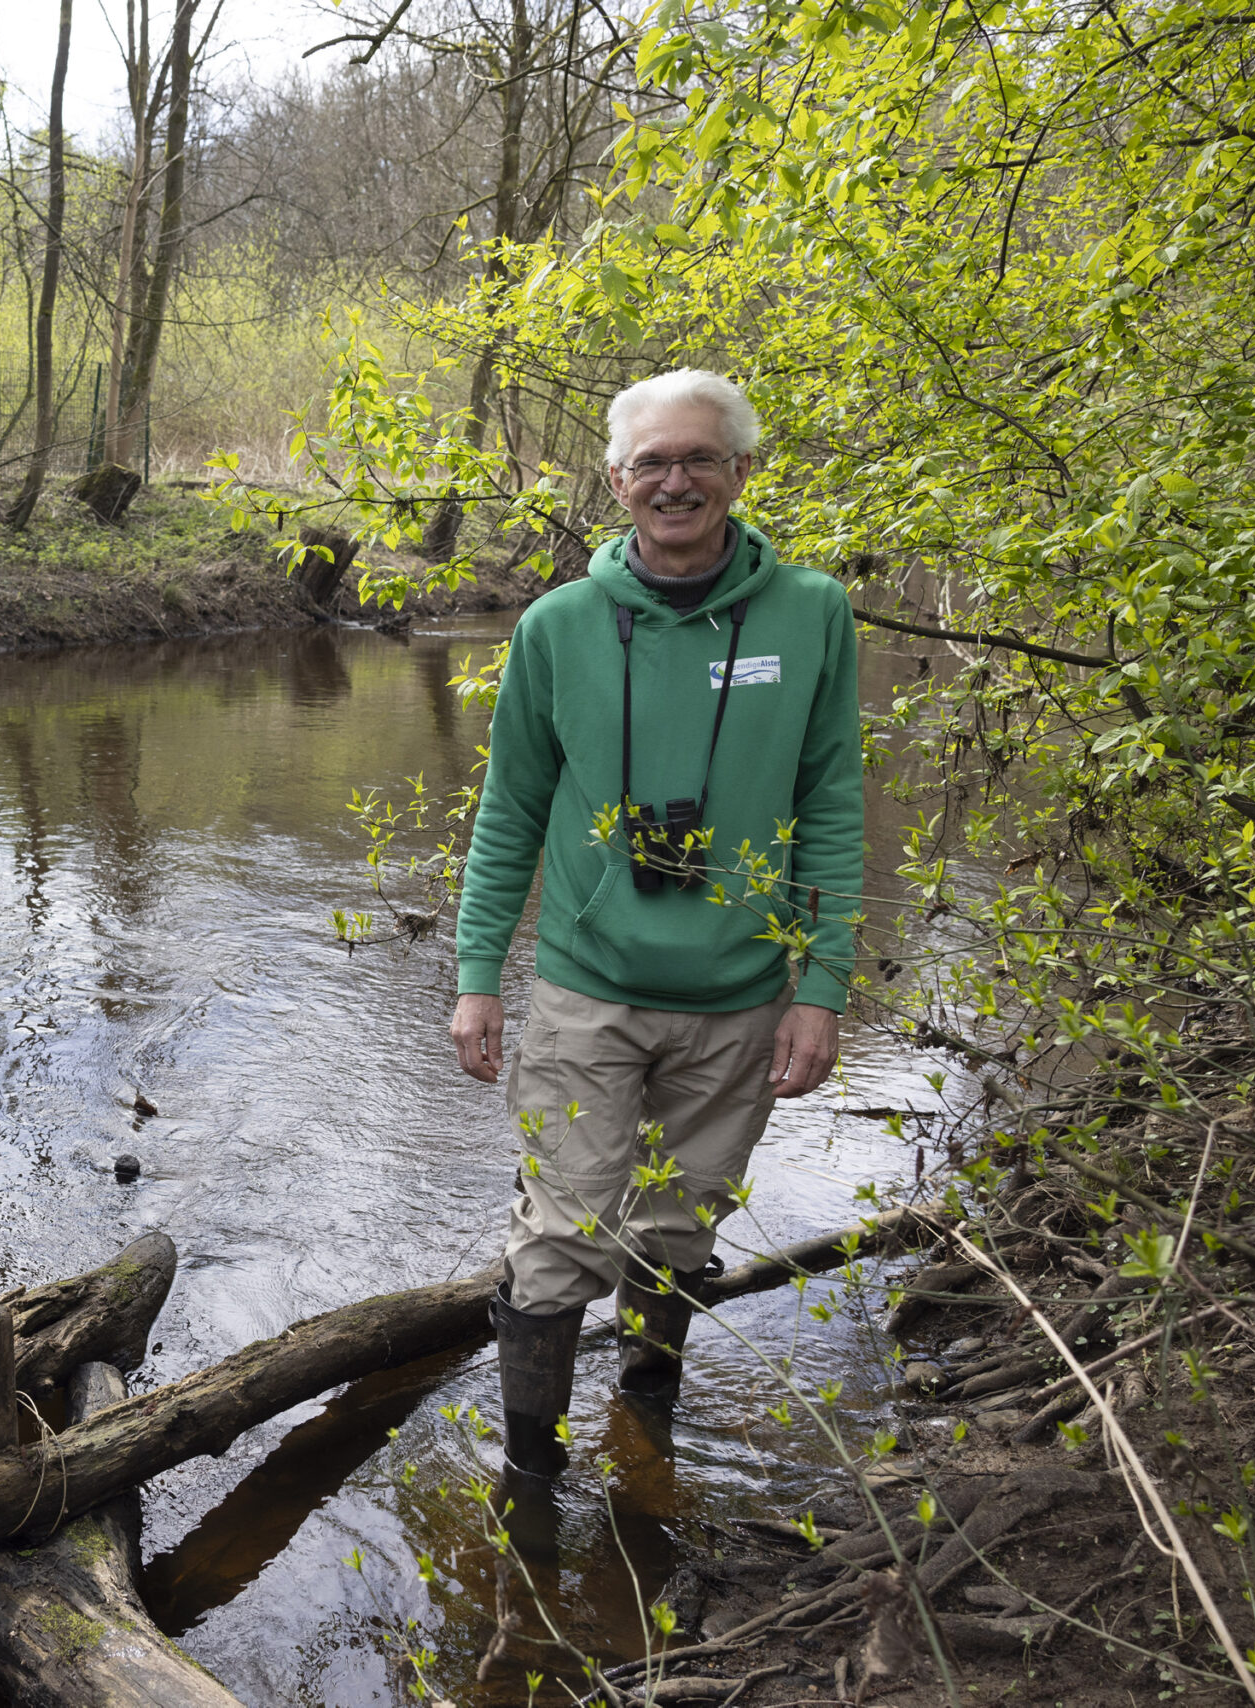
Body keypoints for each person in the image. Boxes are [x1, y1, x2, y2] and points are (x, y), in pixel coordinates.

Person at [448, 369, 864, 1479]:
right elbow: (509, 814)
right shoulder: (557, 627)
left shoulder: (813, 613)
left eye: (697, 459)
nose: (673, 481)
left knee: (677, 1238)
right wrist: (478, 972)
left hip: (738, 999)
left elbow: (830, 805)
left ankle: (646, 1422)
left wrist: (819, 988)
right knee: (558, 1238)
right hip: (589, 986)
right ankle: (531, 1475)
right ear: (615, 481)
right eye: (649, 463)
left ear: (740, 471)